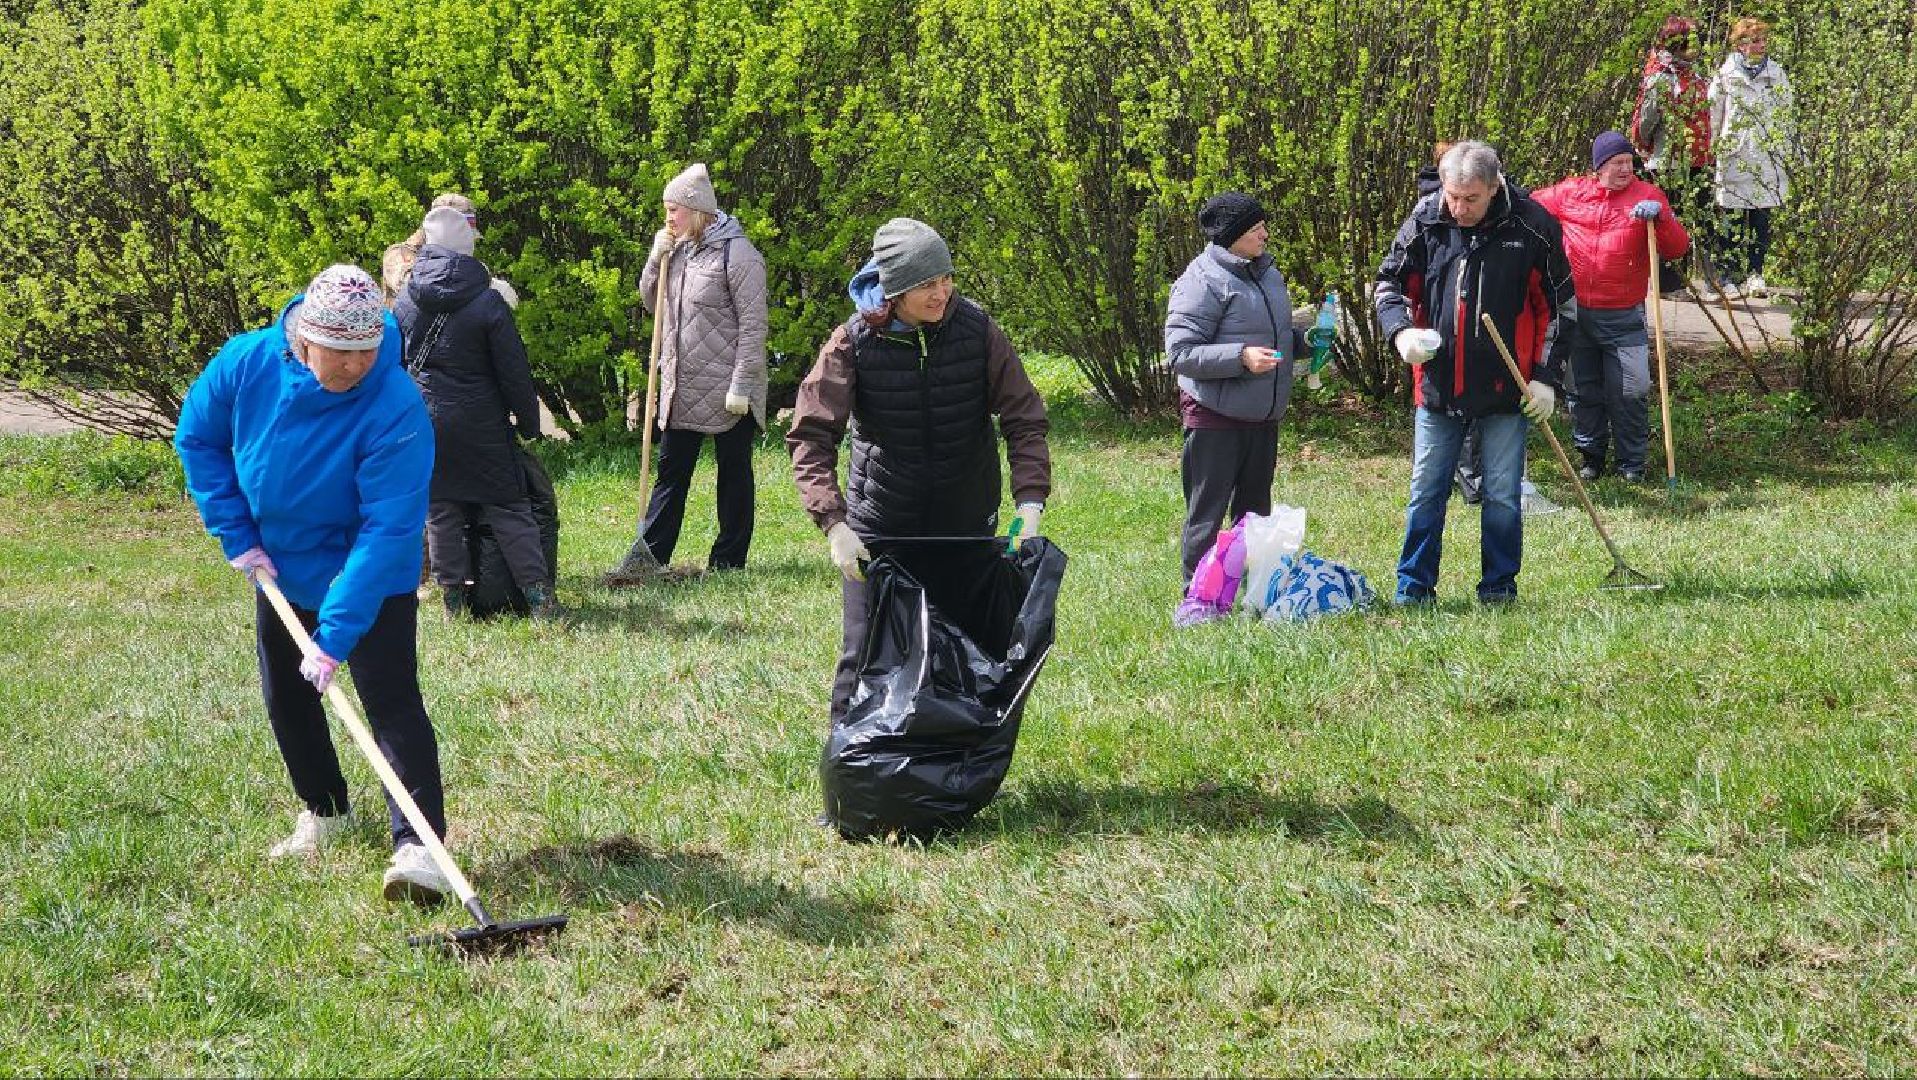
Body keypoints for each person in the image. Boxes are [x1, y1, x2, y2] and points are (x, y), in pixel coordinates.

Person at [174, 264, 452, 903]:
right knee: (287, 696)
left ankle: (419, 847)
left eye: (366, 351)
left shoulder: (396, 405)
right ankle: (325, 810)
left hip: (369, 572)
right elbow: (199, 438)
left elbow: (388, 529)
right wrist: (237, 533)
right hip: (282, 564)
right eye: (339, 352)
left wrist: (334, 635)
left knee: (390, 702)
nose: (355, 366)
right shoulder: (247, 362)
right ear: (304, 337)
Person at [786, 218, 1051, 721]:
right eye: (927, 283)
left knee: (970, 662)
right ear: (895, 290)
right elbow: (811, 436)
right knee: (866, 661)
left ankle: (957, 765)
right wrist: (835, 525)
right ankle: (851, 770)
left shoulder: (977, 331)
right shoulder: (852, 342)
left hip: (965, 530)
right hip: (882, 532)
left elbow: (1024, 418)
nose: (942, 292)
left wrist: (1029, 504)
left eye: (946, 278)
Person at [1375, 141, 1576, 605]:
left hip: (1509, 386)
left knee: (1502, 493)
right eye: (1453, 196)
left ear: (1494, 187)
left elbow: (1561, 307)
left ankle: (1499, 589)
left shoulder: (1532, 225)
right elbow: (1389, 283)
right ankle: (1413, 589)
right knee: (1426, 490)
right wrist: (1401, 332)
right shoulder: (1427, 218)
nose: (1459, 208)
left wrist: (1546, 377)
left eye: (1471, 199)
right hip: (1439, 383)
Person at [605, 163, 769, 581]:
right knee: (671, 472)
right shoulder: (676, 251)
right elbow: (652, 303)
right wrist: (654, 259)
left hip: (729, 388)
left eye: (673, 210)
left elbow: (754, 327)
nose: (668, 218)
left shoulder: (739, 255)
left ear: (697, 211)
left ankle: (729, 561)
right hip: (683, 385)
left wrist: (742, 384)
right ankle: (651, 555)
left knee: (734, 473)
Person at [395, 207, 557, 619]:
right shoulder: (488, 301)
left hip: (426, 419)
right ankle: (540, 602)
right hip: (482, 421)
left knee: (442, 512)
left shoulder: (406, 299)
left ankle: (454, 605)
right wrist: (529, 421)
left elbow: (396, 365)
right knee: (509, 507)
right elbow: (513, 370)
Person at [1162, 192, 1305, 589]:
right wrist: (1241, 357)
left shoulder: (1268, 274)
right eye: (1256, 229)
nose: (1265, 235)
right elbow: (1181, 353)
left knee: (1255, 515)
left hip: (1262, 416)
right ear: (1232, 235)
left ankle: (1250, 591)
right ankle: (1199, 597)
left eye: (1263, 226)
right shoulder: (1201, 280)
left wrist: (1304, 342)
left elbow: (1272, 337)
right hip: (1214, 417)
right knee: (1206, 514)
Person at [1533, 131, 1691, 483]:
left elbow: (1678, 248)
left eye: (1629, 162)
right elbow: (1528, 207)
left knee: (1630, 391)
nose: (1626, 169)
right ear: (1599, 167)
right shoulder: (1571, 193)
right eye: (1617, 162)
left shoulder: (1648, 197)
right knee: (1581, 389)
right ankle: (1590, 457)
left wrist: (1662, 219)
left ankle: (1631, 462)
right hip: (1575, 314)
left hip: (1624, 315)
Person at [1633, 16, 1725, 298]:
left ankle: (1715, 282)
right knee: (1671, 222)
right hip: (1668, 162)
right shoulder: (1661, 77)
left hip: (1699, 159)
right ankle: (1670, 284)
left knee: (1706, 221)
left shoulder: (1695, 75)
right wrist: (1651, 146)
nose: (1696, 46)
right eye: (1690, 41)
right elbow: (1647, 122)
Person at [1710, 17, 1792, 299]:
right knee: (1731, 219)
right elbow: (1714, 116)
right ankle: (1728, 277)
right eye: (1755, 40)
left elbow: (1786, 117)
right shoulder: (1725, 75)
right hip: (1734, 156)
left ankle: (1755, 274)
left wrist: (1788, 152)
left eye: (1764, 40)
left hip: (1766, 158)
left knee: (1761, 220)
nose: (1761, 45)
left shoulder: (1776, 74)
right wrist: (1712, 150)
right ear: (1740, 44)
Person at [380, 193, 518, 310]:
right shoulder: (399, 255)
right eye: (463, 235)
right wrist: (486, 284)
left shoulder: (464, 265)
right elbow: (422, 288)